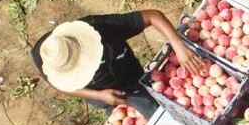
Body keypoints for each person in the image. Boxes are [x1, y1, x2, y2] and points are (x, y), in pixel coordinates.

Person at [32, 8, 204, 115]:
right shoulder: (48, 58)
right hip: (97, 92)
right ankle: (108, 106)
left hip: (129, 76)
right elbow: (61, 85)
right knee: (115, 112)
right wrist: (97, 95)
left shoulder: (101, 28)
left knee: (155, 111)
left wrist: (178, 45)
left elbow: (152, 16)